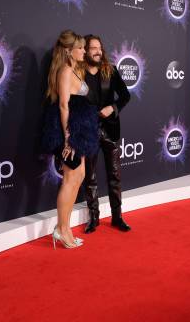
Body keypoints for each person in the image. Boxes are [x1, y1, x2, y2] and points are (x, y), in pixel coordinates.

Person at [41, 30, 98, 249]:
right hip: (70, 132)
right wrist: (67, 138)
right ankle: (61, 229)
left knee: (79, 175)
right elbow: (64, 105)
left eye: (85, 47)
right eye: (81, 48)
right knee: (69, 179)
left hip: (80, 131)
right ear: (68, 51)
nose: (84, 51)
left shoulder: (76, 69)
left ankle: (66, 228)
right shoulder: (65, 71)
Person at [82, 34, 131, 234]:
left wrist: (113, 107)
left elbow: (126, 96)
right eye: (93, 47)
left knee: (115, 175)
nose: (98, 51)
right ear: (85, 50)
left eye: (99, 47)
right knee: (90, 177)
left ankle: (117, 217)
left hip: (110, 129)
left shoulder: (110, 71)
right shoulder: (78, 73)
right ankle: (93, 218)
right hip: (89, 131)